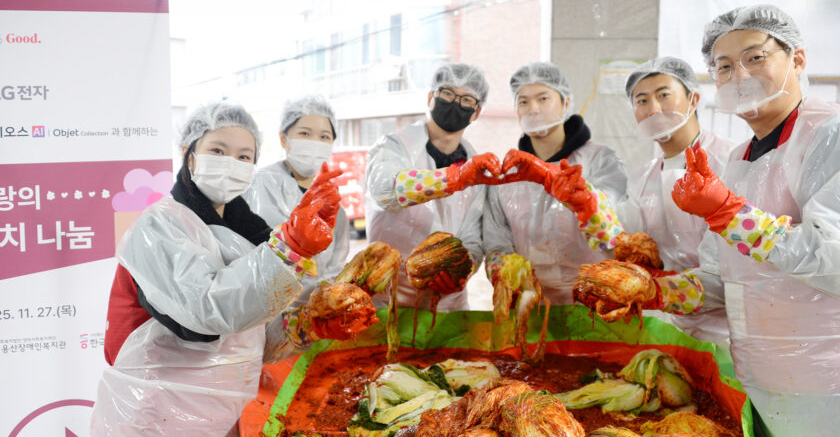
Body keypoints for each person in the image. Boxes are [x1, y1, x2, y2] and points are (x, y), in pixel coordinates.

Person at [63, 102, 342, 437]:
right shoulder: (159, 226)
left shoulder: (249, 234)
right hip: (155, 426)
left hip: (221, 422)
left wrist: (306, 325)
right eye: (219, 149)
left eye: (245, 156)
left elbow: (250, 337)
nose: (232, 163)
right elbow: (207, 310)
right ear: (188, 152)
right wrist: (289, 247)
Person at [668, 4, 840, 437]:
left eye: (755, 57)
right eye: (723, 66)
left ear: (798, 58)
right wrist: (653, 294)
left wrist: (728, 212)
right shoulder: (736, 160)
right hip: (758, 378)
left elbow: (832, 258)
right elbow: (721, 280)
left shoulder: (827, 136)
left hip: (826, 382)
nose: (738, 75)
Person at [483, 61, 628, 304]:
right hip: (530, 308)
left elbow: (618, 224)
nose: (533, 109)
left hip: (595, 304)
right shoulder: (507, 176)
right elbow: (496, 241)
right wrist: (503, 273)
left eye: (543, 98)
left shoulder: (600, 160)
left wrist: (584, 199)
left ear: (566, 102)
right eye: (523, 101)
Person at [364, 62, 500, 311]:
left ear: (476, 113)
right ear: (431, 97)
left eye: (467, 99)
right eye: (447, 93)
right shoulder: (394, 146)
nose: (455, 103)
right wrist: (453, 178)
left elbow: (473, 238)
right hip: (387, 299)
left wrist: (460, 274)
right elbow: (386, 189)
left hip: (448, 304)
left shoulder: (476, 166)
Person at [621, 57, 736, 346]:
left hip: (729, 333)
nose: (653, 109)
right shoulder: (643, 178)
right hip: (667, 327)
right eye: (642, 101)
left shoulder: (732, 161)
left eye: (663, 95)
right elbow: (629, 243)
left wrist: (655, 290)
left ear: (693, 99)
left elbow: (733, 271)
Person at [244, 94, 349, 308]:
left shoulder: (332, 200)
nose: (315, 142)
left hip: (314, 311)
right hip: (263, 309)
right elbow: (254, 252)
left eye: (324, 136)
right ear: (283, 139)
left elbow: (335, 266)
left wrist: (325, 302)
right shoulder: (261, 184)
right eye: (304, 133)